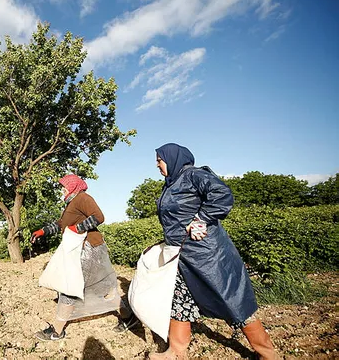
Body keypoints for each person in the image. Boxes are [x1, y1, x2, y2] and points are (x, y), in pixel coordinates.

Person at [149, 143, 279, 360]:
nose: (157, 165)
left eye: (159, 160)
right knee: (179, 299)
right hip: (182, 255)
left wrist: (201, 219)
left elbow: (222, 194)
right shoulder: (170, 184)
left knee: (232, 299)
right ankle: (176, 352)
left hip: (207, 254)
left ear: (172, 158)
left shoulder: (194, 175)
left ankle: (268, 354)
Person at [30, 174, 138, 341]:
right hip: (83, 250)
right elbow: (62, 223)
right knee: (102, 288)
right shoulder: (71, 203)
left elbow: (98, 217)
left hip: (89, 249)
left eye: (64, 186)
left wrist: (78, 228)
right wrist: (43, 231)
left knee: (70, 287)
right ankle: (128, 317)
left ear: (72, 186)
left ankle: (57, 331)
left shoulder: (82, 198)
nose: (62, 190)